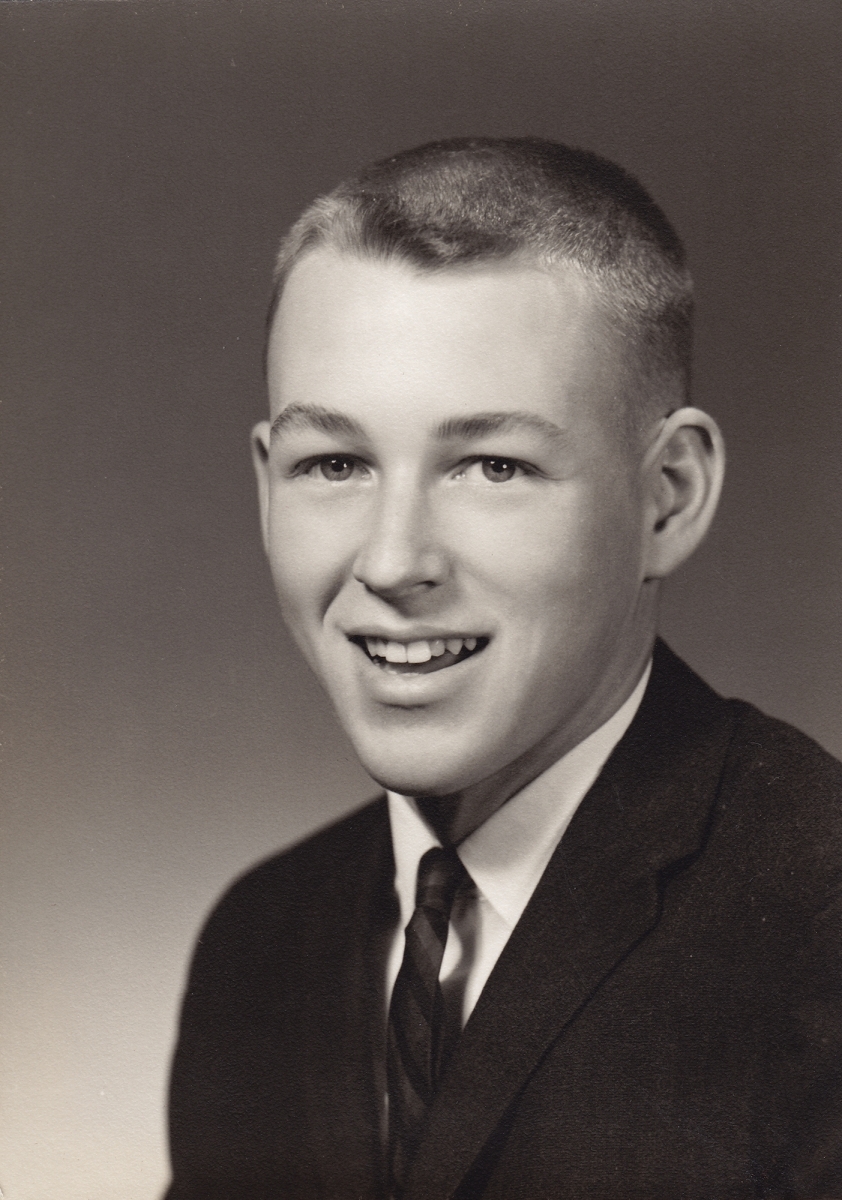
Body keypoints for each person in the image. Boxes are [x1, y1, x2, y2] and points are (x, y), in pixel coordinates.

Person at [165, 138, 842, 1199]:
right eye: (333, 463)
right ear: (264, 486)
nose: (393, 563)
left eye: (493, 466)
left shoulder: (817, 924)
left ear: (667, 497)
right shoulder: (259, 942)